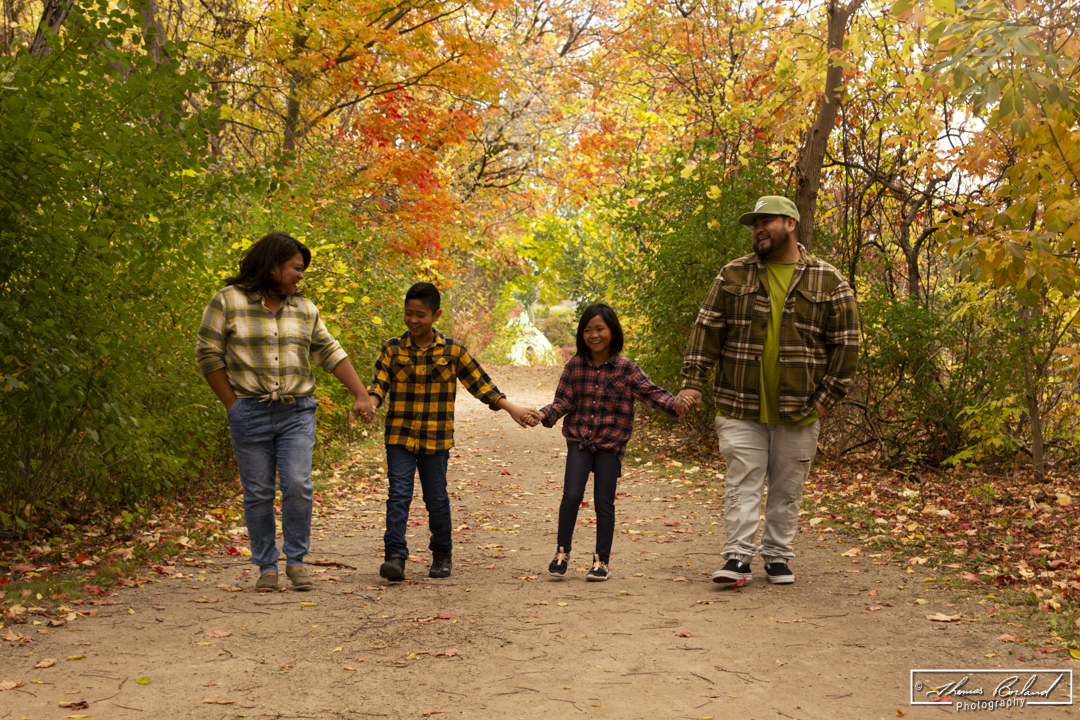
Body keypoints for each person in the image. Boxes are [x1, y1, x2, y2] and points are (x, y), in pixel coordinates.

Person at [678, 196, 860, 586]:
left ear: (791, 223)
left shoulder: (828, 280)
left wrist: (826, 401)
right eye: (754, 224)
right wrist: (693, 382)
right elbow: (706, 330)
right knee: (742, 481)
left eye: (766, 221)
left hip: (801, 408)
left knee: (787, 489)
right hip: (739, 402)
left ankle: (777, 556)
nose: (758, 229)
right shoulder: (733, 274)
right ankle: (737, 557)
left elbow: (846, 344)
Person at [196, 232, 375, 592]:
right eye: (295, 267)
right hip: (249, 411)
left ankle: (295, 561)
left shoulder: (304, 309)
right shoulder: (227, 301)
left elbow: (330, 352)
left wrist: (361, 394)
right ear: (271, 266)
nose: (300, 275)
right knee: (259, 492)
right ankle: (266, 566)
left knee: (297, 485)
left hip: (297, 411)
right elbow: (207, 354)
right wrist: (233, 405)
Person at [368, 282, 533, 582]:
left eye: (420, 315)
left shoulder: (452, 350)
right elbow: (379, 384)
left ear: (436, 315)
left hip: (436, 438)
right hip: (399, 436)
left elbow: (480, 384)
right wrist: (370, 403)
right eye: (408, 313)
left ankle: (442, 553)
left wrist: (511, 408)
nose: (413, 320)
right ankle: (395, 556)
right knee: (398, 495)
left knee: (437, 499)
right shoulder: (392, 348)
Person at [524, 303, 689, 582]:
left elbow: (652, 393)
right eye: (587, 330)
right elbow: (564, 401)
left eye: (600, 329)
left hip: (610, 444)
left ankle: (601, 562)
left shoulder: (627, 369)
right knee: (571, 495)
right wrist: (542, 414)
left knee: (604, 501)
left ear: (612, 332)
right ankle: (562, 553)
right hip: (579, 440)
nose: (594, 335)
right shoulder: (575, 365)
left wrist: (676, 404)